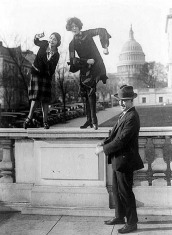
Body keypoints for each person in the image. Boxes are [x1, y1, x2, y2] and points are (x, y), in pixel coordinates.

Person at [95, 85, 144, 234]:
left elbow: (121, 141)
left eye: (125, 100)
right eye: (120, 100)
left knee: (125, 192)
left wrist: (103, 149)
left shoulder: (132, 117)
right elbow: (114, 135)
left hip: (125, 160)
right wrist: (103, 142)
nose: (122, 103)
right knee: (116, 190)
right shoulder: (124, 114)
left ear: (131, 101)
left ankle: (132, 222)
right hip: (118, 159)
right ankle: (119, 216)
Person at [66, 17, 111, 130]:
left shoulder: (88, 33)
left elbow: (101, 30)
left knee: (91, 92)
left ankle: (94, 120)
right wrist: (85, 61)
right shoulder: (72, 44)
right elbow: (72, 61)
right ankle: (89, 120)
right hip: (85, 67)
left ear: (79, 26)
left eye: (76, 26)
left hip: (96, 65)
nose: (74, 28)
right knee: (85, 94)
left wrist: (104, 47)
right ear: (70, 29)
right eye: (72, 27)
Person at [23, 32, 61, 129]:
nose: (52, 40)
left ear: (57, 42)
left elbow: (52, 69)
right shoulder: (44, 44)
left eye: (54, 39)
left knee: (45, 100)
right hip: (36, 73)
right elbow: (36, 42)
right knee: (35, 97)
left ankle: (45, 122)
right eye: (51, 38)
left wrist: (50, 59)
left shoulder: (56, 54)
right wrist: (37, 36)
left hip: (46, 76)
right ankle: (29, 118)